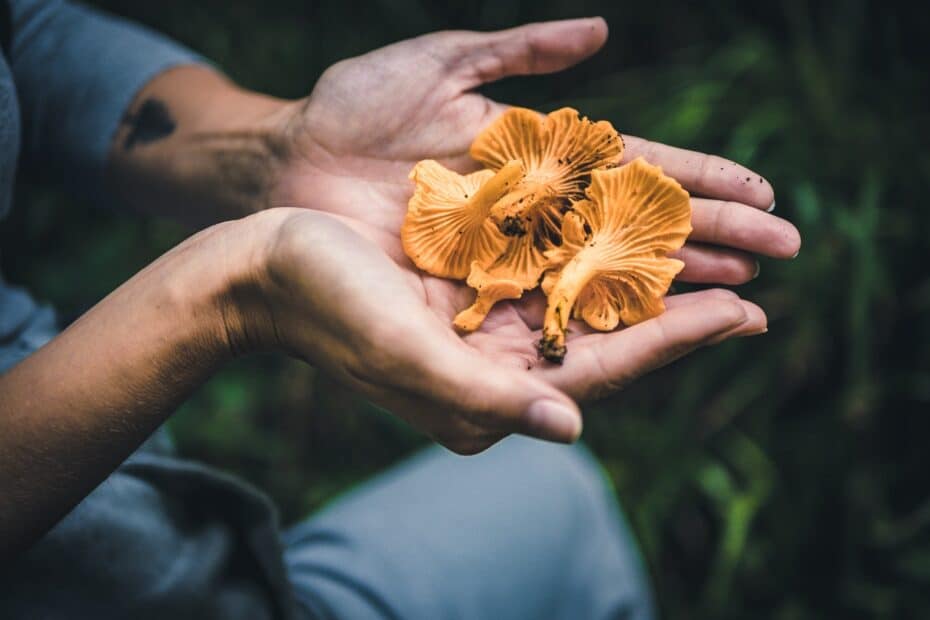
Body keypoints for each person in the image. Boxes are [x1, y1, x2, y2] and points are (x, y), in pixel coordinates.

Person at [0, 1, 801, 618]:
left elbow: (25, 33)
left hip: (169, 542)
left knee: (560, 489)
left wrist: (272, 149)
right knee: (562, 504)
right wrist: (232, 291)